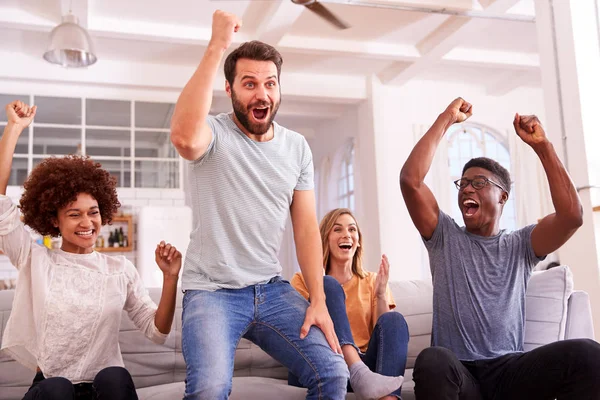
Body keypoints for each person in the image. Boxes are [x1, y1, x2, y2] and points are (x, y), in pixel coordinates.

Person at [169, 10, 347, 400]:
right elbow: (183, 138)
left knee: (333, 373)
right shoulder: (213, 133)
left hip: (270, 290)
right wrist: (217, 45)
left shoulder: (297, 147)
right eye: (249, 84)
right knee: (210, 389)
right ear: (230, 90)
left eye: (270, 84)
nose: (262, 94)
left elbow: (304, 230)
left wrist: (318, 299)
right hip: (211, 291)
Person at [399, 97, 600, 399]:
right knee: (432, 359)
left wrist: (542, 146)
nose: (467, 188)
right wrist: (446, 118)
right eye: (463, 183)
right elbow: (411, 181)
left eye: (479, 182)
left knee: (587, 353)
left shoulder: (522, 244)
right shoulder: (444, 236)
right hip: (460, 374)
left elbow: (572, 216)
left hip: (510, 373)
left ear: (503, 196)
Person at [0, 100, 183, 400]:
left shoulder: (119, 271)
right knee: (58, 387)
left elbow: (157, 331)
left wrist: (171, 278)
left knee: (114, 377)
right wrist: (14, 129)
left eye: (93, 212)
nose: (87, 222)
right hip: (51, 390)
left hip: (104, 391)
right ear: (53, 219)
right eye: (74, 214)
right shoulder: (36, 259)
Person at [290, 208, 408, 400]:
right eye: (337, 230)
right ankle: (357, 371)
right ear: (324, 239)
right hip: (320, 362)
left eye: (352, 230)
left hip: (366, 368)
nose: (346, 234)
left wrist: (380, 295)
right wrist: (317, 282)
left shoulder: (372, 281)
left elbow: (385, 338)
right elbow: (297, 330)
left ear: (358, 241)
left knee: (394, 319)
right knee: (328, 284)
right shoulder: (303, 280)